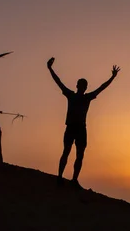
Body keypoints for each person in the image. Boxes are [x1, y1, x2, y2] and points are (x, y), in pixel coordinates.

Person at [47, 57, 120, 188]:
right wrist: (50, 69)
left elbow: (102, 87)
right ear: (77, 86)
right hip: (71, 127)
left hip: (81, 128)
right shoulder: (71, 95)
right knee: (66, 151)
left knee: (79, 155)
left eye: (84, 86)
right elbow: (58, 82)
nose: (82, 88)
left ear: (85, 87)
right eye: (81, 85)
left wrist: (112, 77)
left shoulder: (87, 97)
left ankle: (74, 180)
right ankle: (59, 177)